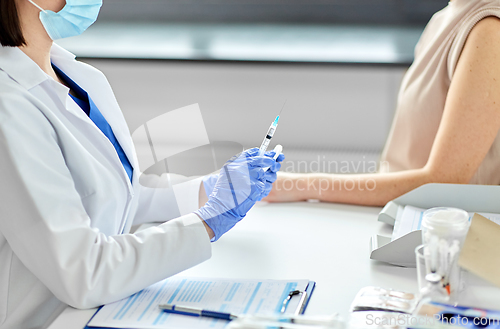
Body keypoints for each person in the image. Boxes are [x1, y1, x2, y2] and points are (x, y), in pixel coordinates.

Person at [0, 0, 284, 328]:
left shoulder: (77, 76)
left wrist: (208, 190)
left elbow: (113, 196)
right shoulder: (9, 106)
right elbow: (83, 273)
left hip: (100, 310)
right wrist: (205, 223)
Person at [266, 0, 500, 206]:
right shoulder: (445, 17)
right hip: (397, 214)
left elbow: (443, 182)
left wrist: (303, 185)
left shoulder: (489, 31)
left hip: (437, 234)